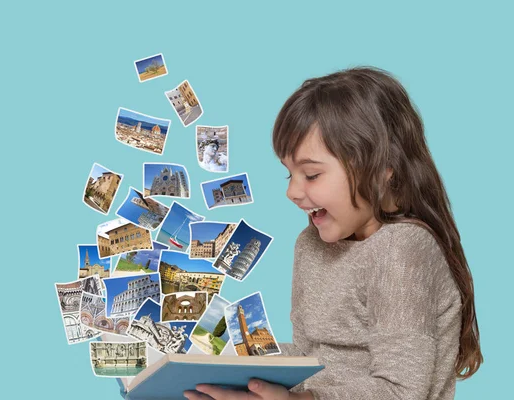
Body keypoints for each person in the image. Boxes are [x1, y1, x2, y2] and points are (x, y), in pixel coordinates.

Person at [184, 67, 482, 400]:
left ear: (382, 171)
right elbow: (311, 360)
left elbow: (402, 390)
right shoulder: (311, 245)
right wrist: (219, 363)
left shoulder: (403, 249)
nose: (293, 192)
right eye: (289, 175)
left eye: (311, 175)